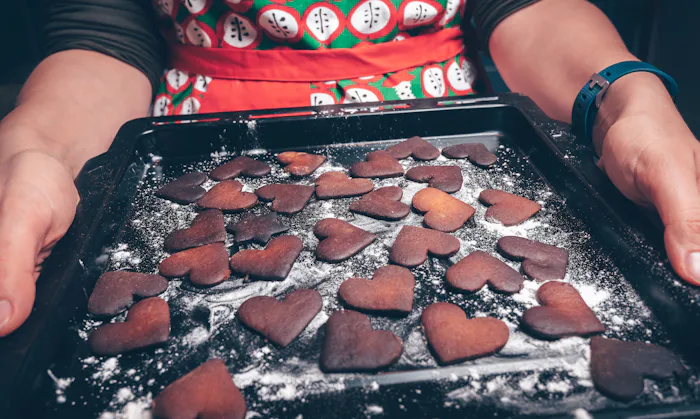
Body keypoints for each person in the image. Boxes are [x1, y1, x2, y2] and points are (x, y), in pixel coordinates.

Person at [0, 0, 698, 337]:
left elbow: (525, 9)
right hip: (205, 153)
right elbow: (101, 34)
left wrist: (620, 100)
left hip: (444, 146)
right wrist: (46, 150)